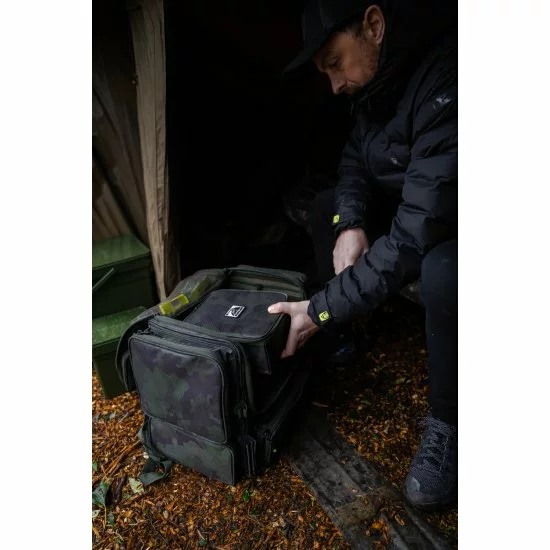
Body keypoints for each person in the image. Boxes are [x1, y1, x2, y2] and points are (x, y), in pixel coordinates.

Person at [268, 0, 457, 511]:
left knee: (444, 272)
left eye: (335, 64)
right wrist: (350, 221)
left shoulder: (447, 74)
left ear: (373, 25)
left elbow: (417, 231)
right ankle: (343, 338)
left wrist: (321, 307)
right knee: (326, 205)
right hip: (418, 206)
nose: (334, 85)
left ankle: (450, 423)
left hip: (453, 220)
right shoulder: (375, 83)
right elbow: (355, 160)